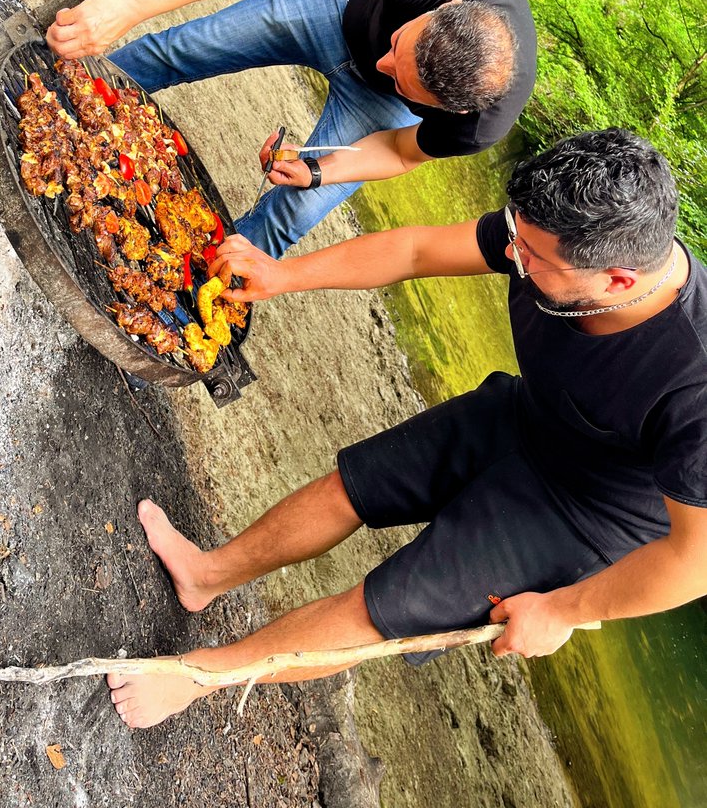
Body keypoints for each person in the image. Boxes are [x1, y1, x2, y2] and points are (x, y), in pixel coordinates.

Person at [106, 129, 707, 729]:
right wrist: (281, 276)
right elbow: (417, 251)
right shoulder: (551, 232)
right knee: (356, 485)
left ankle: (194, 676)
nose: (512, 255)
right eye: (514, 235)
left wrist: (564, 608)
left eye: (530, 258)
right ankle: (205, 575)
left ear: (618, 281)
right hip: (535, 414)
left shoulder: (693, 383)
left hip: (588, 510)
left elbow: (693, 561)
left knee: (381, 607)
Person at [46, 0, 536, 257]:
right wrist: (129, 2)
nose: (383, 64)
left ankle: (181, 297)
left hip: (375, 109)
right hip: (334, 11)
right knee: (188, 48)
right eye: (396, 46)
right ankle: (60, 100)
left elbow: (401, 152)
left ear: (450, 108)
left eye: (401, 79)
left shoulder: (478, 125)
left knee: (292, 214)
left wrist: (317, 171)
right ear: (444, 5)